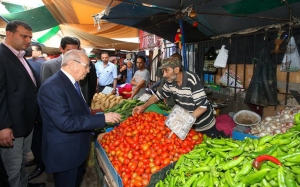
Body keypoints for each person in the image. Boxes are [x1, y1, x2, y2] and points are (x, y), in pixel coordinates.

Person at [37, 49, 121, 187]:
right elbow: (66, 122)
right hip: (65, 154)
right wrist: (102, 119)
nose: (88, 70)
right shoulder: (52, 87)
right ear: (72, 64)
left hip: (76, 149)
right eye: (86, 66)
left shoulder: (72, 82)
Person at [0, 20, 45, 187]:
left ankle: (24, 183)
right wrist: (3, 126)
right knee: (11, 166)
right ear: (9, 34)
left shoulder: (19, 55)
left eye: (30, 37)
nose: (28, 40)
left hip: (25, 122)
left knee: (22, 160)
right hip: (11, 126)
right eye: (24, 36)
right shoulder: (2, 55)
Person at [132, 57, 220, 138]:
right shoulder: (170, 82)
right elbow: (157, 96)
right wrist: (143, 106)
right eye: (163, 71)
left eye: (166, 71)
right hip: (190, 126)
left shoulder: (191, 79)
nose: (164, 75)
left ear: (177, 69)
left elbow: (202, 107)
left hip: (204, 125)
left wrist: (185, 122)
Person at [24, 45, 47, 181]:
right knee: (32, 141)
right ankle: (37, 160)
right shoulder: (25, 63)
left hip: (38, 110)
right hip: (28, 112)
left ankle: (41, 163)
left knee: (38, 139)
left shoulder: (41, 64)